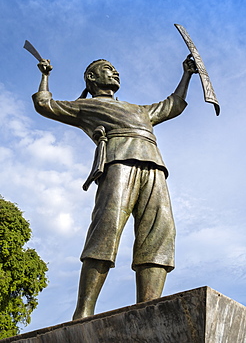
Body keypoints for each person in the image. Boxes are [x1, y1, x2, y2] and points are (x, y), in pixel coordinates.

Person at [32, 55, 197, 320]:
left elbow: (173, 105)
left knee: (159, 233)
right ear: (92, 78)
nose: (115, 72)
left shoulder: (139, 110)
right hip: (118, 163)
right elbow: (44, 104)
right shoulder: (85, 107)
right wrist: (45, 75)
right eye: (108, 69)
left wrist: (187, 75)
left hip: (154, 166)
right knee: (106, 229)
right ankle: (83, 312)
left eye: (115, 69)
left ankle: (149, 307)